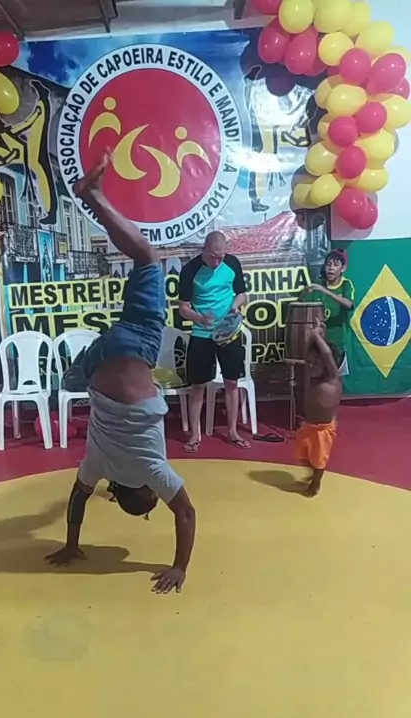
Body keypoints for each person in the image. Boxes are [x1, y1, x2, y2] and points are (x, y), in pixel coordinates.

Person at [46, 151, 196, 594]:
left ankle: (92, 195)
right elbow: (77, 496)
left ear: (144, 491)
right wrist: (71, 544)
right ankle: (73, 374)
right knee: (96, 372)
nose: (156, 498)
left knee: (148, 259)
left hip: (133, 354)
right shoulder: (98, 465)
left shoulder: (152, 469)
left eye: (150, 501)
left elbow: (186, 513)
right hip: (97, 364)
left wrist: (180, 567)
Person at [178, 232, 249, 453]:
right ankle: (194, 435)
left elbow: (242, 294)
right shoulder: (190, 270)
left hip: (228, 332)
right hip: (202, 334)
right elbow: (183, 308)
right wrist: (199, 318)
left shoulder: (232, 263)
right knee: (197, 386)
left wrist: (235, 306)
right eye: (213, 257)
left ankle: (232, 431)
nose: (217, 262)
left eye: (221, 257)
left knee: (232, 382)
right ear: (204, 249)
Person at [295, 322, 341, 497]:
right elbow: (306, 354)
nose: (311, 366)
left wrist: (316, 335)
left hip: (323, 429)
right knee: (303, 454)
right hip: (309, 425)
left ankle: (315, 484)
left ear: (327, 365)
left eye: (316, 363)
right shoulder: (313, 377)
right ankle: (313, 472)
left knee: (319, 458)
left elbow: (327, 354)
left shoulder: (332, 378)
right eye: (310, 363)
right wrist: (312, 338)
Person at [302, 248, 354, 376]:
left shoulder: (346, 285)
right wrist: (304, 293)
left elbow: (349, 304)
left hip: (337, 346)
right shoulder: (319, 285)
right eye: (328, 264)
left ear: (343, 268)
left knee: (334, 381)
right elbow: (303, 305)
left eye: (335, 265)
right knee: (319, 381)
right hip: (319, 345)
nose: (331, 268)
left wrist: (326, 292)